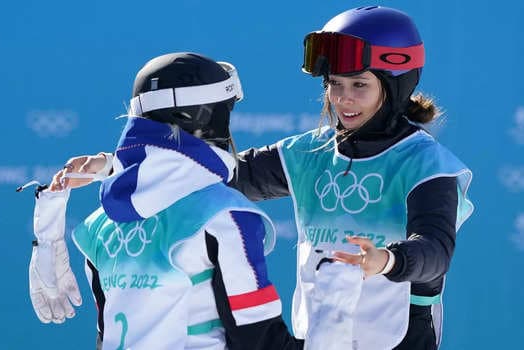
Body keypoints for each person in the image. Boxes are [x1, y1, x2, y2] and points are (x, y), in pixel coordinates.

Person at [52, 7, 474, 350]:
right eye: (334, 84)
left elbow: (436, 250)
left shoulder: (427, 164)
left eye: (359, 85)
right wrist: (116, 165)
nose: (343, 98)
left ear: (397, 84)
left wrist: (385, 260)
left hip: (399, 337)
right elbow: (216, 172)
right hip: (322, 333)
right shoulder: (308, 153)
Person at [34, 52, 322, 350]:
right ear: (209, 118)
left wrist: (112, 164)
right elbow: (258, 340)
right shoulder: (226, 216)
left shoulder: (101, 223)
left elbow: (106, 335)